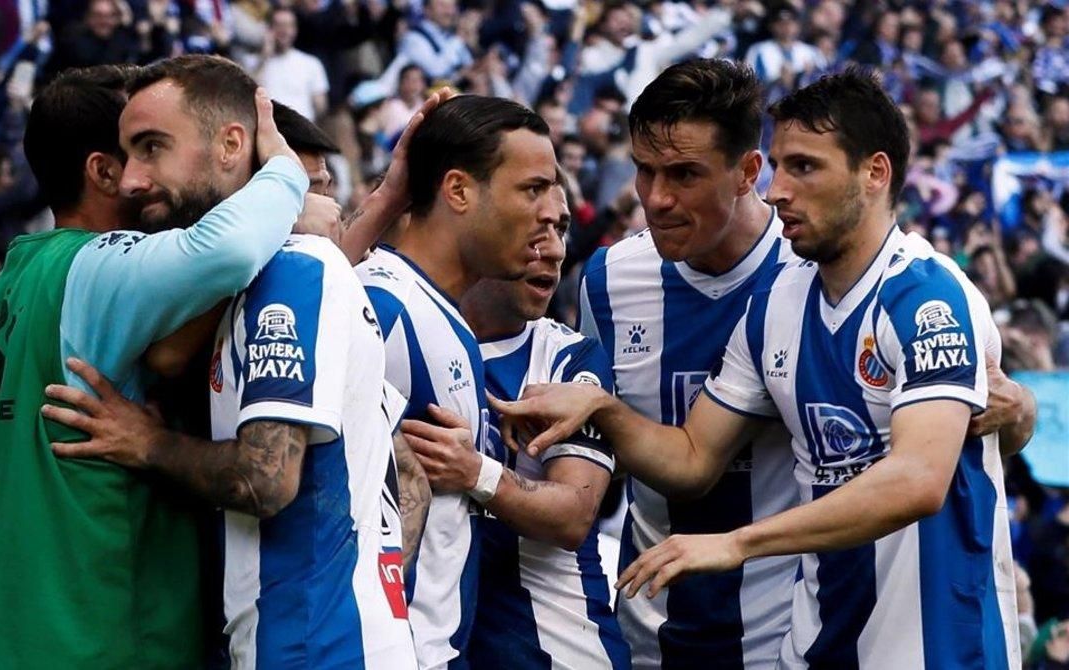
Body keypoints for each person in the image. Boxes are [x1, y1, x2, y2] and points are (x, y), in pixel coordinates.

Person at [495, 68, 1028, 669]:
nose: (779, 191)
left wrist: (736, 544)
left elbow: (921, 478)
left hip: (927, 645)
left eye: (803, 167)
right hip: (784, 638)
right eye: (645, 171)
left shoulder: (926, 295)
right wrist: (602, 411)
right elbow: (695, 457)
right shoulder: (772, 302)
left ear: (874, 172)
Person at [38, 54, 418, 670]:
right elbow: (409, 477)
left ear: (232, 147)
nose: (132, 179)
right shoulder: (267, 279)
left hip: (313, 645)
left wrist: (148, 444)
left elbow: (264, 478)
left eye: (152, 148)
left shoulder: (294, 269)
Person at [0, 62, 313, 670]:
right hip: (92, 641)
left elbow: (174, 345)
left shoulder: (10, 287)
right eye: (136, 151)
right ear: (103, 171)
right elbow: (228, 250)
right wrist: (285, 177)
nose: (147, 176)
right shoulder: (96, 269)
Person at [576, 59, 799, 670]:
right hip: (651, 632)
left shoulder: (809, 278)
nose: (656, 198)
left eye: (684, 174)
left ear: (748, 172)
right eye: (644, 171)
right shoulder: (608, 282)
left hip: (791, 632)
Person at [355, 93, 559, 668]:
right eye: (532, 188)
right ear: (459, 191)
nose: (549, 212)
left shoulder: (446, 316)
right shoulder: (381, 305)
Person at [404, 182, 630, 667]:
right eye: (535, 229)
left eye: (562, 229)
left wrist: (475, 473)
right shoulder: (406, 329)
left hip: (556, 651)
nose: (552, 250)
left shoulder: (569, 358)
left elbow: (574, 513)